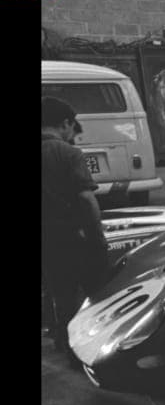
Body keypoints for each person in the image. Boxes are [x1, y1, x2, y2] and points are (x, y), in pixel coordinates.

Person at [42, 97, 106, 360]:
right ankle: (90, 346)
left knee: (59, 290)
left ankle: (63, 340)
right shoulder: (69, 154)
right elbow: (85, 198)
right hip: (73, 235)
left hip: (46, 237)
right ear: (66, 124)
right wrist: (97, 234)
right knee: (96, 290)